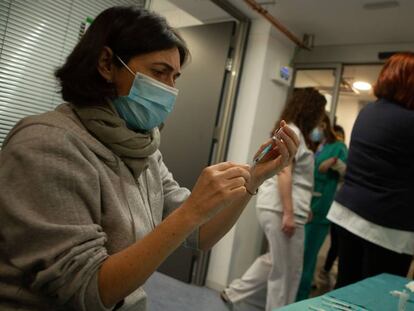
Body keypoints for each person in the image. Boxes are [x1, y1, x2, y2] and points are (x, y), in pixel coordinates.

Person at [0, 7, 300, 311]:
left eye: (174, 77)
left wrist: (255, 178)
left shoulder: (142, 148)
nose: (169, 90)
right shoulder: (48, 144)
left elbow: (200, 234)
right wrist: (191, 212)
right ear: (107, 63)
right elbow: (86, 290)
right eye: (159, 72)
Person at [221, 88, 326, 311]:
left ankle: (233, 293)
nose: (320, 118)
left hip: (278, 206)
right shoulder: (294, 132)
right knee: (287, 272)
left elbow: (295, 177)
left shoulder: (290, 131)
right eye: (320, 112)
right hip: (282, 208)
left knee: (274, 261)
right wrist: (289, 211)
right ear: (311, 111)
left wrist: (301, 207)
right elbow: (284, 173)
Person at [327, 52, 414, 288]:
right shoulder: (409, 121)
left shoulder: (369, 112)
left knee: (346, 289)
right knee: (377, 298)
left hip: (348, 214)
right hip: (386, 228)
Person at [295, 114, 348, 301]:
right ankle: (294, 296)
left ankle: (300, 299)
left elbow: (348, 173)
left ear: (324, 125)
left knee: (308, 258)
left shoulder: (339, 147)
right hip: (305, 205)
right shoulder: (316, 146)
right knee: (298, 257)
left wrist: (335, 162)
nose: (313, 130)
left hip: (321, 208)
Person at [317, 124, 346, 289]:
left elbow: (348, 173)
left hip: (338, 206)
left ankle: (326, 272)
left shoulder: (342, 152)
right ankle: (324, 272)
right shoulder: (323, 148)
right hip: (326, 205)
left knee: (336, 244)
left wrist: (339, 165)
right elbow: (319, 168)